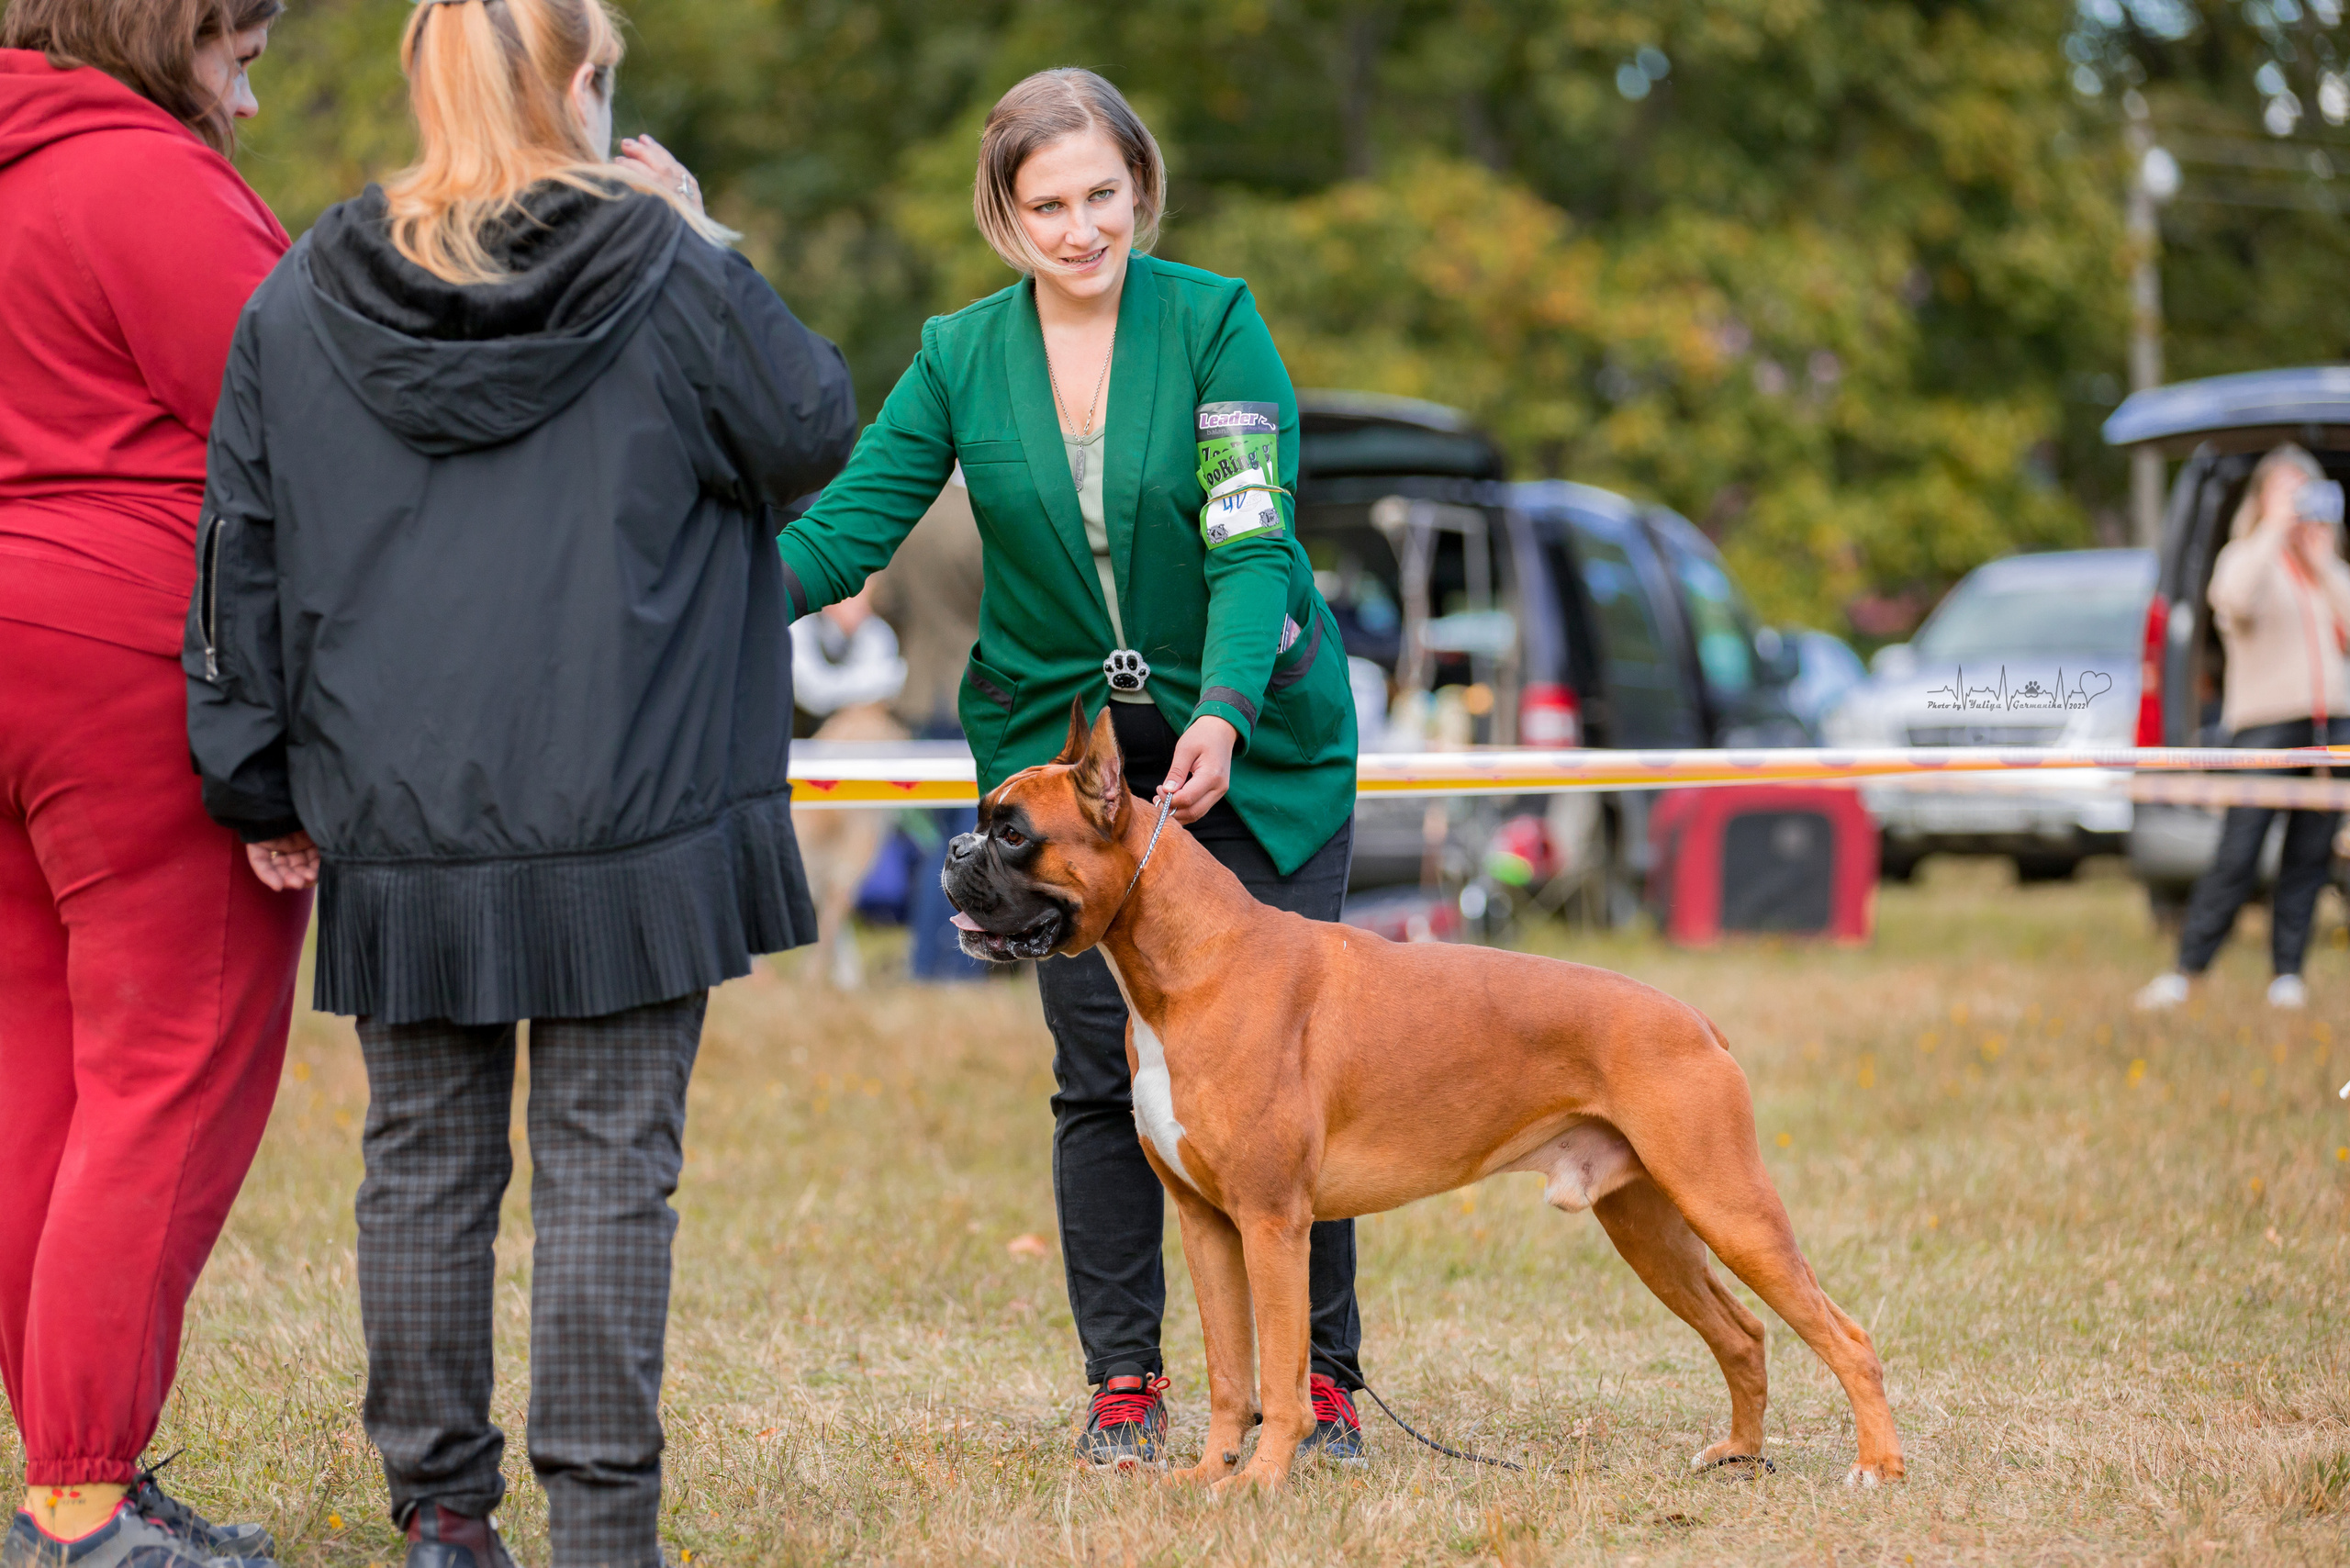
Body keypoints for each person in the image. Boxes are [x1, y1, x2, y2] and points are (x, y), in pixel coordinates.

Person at [181, 0, 856, 1562]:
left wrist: (254, 776)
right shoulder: (671, 269)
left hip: (401, 804)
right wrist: (700, 225)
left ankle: (441, 1513)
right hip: (632, 801)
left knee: (422, 1166)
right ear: (587, 83)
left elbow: (244, 554)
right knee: (610, 1171)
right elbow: (808, 426)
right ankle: (603, 1530)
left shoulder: (301, 291)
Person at [778, 68, 1371, 1469]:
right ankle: (1126, 1385)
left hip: (1255, 734)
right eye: (1048, 203)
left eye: (1103, 195)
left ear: (1140, 188)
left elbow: (1252, 540)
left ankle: (1321, 1386)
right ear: (1005, 212)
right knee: (1103, 1067)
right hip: (1065, 759)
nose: (1081, 227)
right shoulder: (959, 355)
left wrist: (1223, 705)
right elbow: (848, 529)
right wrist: (705, 598)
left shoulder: (1216, 322)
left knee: (1289, 1073)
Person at [0, 3, 308, 1562]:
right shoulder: (143, 177)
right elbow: (301, 437)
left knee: (37, 1072)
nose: (248, 92)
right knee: (165, 1069)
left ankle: (74, 1465)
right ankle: (80, 1492)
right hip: (130, 658)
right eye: (242, 43)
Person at [2137, 444, 2350, 1013]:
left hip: (2327, 724)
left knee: (2310, 855)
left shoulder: (2322, 568)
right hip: (2263, 725)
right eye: (2286, 492)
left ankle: (2287, 975)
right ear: (2263, 500)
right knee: (2238, 852)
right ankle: (2187, 969)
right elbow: (2230, 597)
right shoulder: (2245, 557)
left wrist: (2324, 561)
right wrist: (2275, 532)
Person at [867, 476, 995, 981]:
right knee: (975, 840)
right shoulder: (984, 516)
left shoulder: (911, 514)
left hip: (920, 694)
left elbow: (883, 601)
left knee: (943, 839)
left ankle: (928, 962)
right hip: (979, 690)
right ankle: (953, 972)